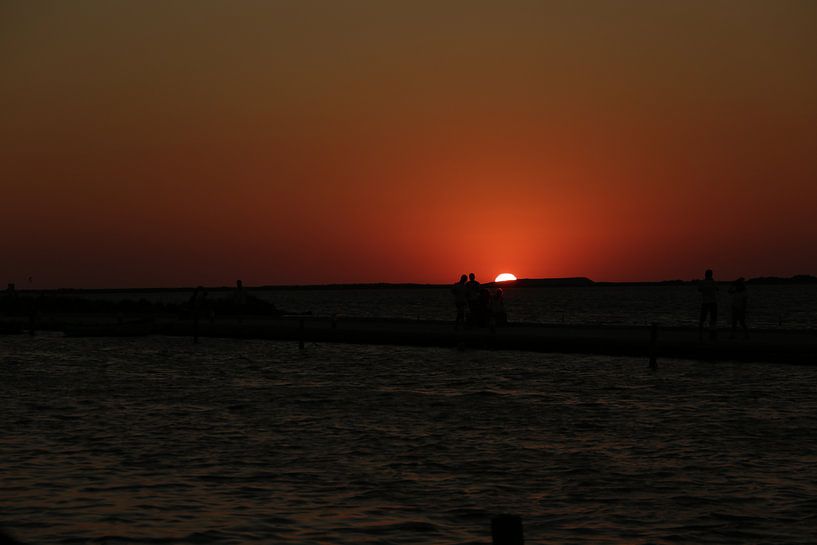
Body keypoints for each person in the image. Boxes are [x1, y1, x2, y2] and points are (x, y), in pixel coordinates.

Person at [698, 269, 718, 340]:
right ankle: (712, 335)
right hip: (712, 302)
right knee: (713, 319)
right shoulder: (713, 282)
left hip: (705, 302)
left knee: (702, 319)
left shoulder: (702, 282)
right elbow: (717, 289)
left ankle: (701, 335)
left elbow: (699, 290)